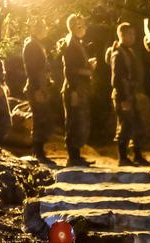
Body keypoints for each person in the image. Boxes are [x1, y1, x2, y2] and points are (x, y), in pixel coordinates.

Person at [107, 22, 150, 166]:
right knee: (125, 125)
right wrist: (124, 98)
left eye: (134, 34)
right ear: (122, 35)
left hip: (132, 94)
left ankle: (137, 155)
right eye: (130, 34)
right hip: (123, 95)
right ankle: (122, 157)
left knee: (138, 124)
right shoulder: (118, 54)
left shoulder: (128, 52)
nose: (133, 37)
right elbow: (116, 79)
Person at [60, 14, 97, 166]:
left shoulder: (77, 43)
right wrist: (75, 88)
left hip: (80, 88)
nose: (85, 28)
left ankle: (76, 155)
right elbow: (69, 70)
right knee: (74, 121)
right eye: (82, 25)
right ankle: (73, 157)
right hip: (73, 88)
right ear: (75, 27)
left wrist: (88, 65)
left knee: (79, 120)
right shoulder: (70, 44)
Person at [23, 18, 54, 164]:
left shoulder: (38, 45)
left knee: (43, 117)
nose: (45, 29)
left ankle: (40, 151)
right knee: (39, 118)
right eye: (41, 27)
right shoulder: (31, 46)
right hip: (36, 86)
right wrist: (37, 88)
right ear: (34, 29)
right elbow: (32, 69)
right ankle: (38, 152)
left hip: (41, 84)